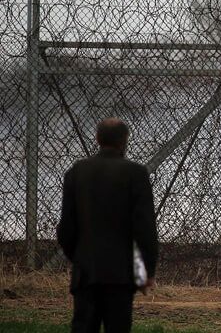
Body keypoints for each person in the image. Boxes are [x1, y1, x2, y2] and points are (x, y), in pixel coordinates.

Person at [57, 118, 158, 333]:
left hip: (86, 271)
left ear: (97, 139)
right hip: (120, 273)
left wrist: (79, 257)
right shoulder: (135, 174)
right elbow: (144, 228)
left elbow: (66, 227)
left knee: (84, 326)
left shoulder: (77, 172)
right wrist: (147, 270)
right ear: (124, 141)